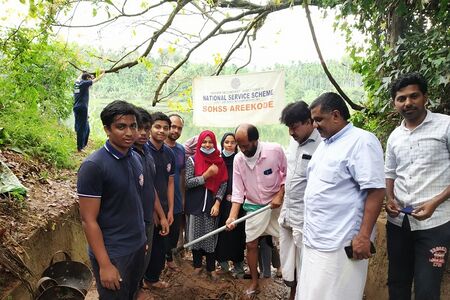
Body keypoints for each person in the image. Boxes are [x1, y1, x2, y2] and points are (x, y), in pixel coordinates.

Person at [298, 92, 385, 300]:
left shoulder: (361, 142)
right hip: (314, 240)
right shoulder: (325, 145)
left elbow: (375, 190)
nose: (315, 125)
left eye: (319, 119)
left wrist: (363, 236)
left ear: (336, 115)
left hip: (341, 243)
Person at [385, 73, 450, 300]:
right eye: (401, 98)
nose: (408, 103)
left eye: (414, 96)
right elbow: (390, 172)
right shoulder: (394, 136)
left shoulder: (446, 126)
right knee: (397, 283)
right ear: (395, 103)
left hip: (435, 224)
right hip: (398, 223)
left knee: (427, 289)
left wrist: (435, 202)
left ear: (425, 98)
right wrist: (389, 198)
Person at [77, 100, 146, 299]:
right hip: (114, 253)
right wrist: (105, 265)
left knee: (131, 293)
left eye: (133, 126)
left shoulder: (135, 157)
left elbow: (133, 203)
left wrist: (141, 239)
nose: (129, 133)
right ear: (107, 129)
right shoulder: (94, 166)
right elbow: (88, 220)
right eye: (121, 127)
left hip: (136, 246)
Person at [226, 124, 287, 297]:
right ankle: (254, 281)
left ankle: (293, 281)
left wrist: (280, 194)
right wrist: (232, 216)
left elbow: (288, 174)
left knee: (287, 241)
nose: (242, 149)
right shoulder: (238, 159)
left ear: (255, 140)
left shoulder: (275, 151)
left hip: (276, 204)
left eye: (245, 145)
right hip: (253, 206)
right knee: (251, 244)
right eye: (239, 145)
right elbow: (238, 191)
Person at [278, 101, 321, 300]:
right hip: (288, 213)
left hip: (306, 219)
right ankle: (293, 293)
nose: (291, 133)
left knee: (307, 265)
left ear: (309, 121)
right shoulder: (294, 142)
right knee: (289, 262)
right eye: (288, 128)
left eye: (294, 127)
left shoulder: (322, 144)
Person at [185, 130, 228, 279]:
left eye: (210, 142)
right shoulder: (192, 160)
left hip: (211, 205)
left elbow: (223, 183)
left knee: (210, 237)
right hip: (195, 204)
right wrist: (205, 176)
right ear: (199, 143)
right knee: (196, 237)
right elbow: (188, 183)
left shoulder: (219, 161)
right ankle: (197, 266)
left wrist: (217, 203)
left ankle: (211, 268)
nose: (207, 145)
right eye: (204, 142)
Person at [143, 112, 175, 289]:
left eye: (165, 127)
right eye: (157, 126)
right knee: (145, 247)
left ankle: (152, 279)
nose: (161, 131)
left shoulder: (169, 153)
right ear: (150, 128)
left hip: (163, 208)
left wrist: (170, 210)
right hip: (148, 209)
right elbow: (148, 186)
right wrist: (157, 213)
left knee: (160, 247)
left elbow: (170, 182)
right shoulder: (142, 151)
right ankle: (139, 283)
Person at [215, 133, 246, 278]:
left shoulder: (241, 160)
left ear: (237, 145)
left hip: (238, 204)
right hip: (221, 204)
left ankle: (239, 268)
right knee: (222, 234)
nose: (229, 145)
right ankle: (223, 265)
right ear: (222, 144)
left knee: (238, 235)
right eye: (226, 142)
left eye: (232, 142)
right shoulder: (218, 160)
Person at [164, 113, 186, 271]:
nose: (176, 130)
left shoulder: (180, 150)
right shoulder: (157, 148)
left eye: (179, 128)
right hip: (159, 199)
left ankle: (169, 258)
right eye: (173, 126)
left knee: (174, 232)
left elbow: (182, 173)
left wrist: (183, 197)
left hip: (177, 198)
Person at [73, 70, 105, 152]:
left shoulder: (77, 84)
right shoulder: (84, 83)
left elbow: (77, 79)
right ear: (87, 79)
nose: (90, 80)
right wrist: (103, 74)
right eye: (89, 78)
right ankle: (80, 147)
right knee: (82, 128)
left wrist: (81, 73)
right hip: (82, 108)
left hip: (78, 108)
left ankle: (83, 145)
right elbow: (95, 80)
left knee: (86, 128)